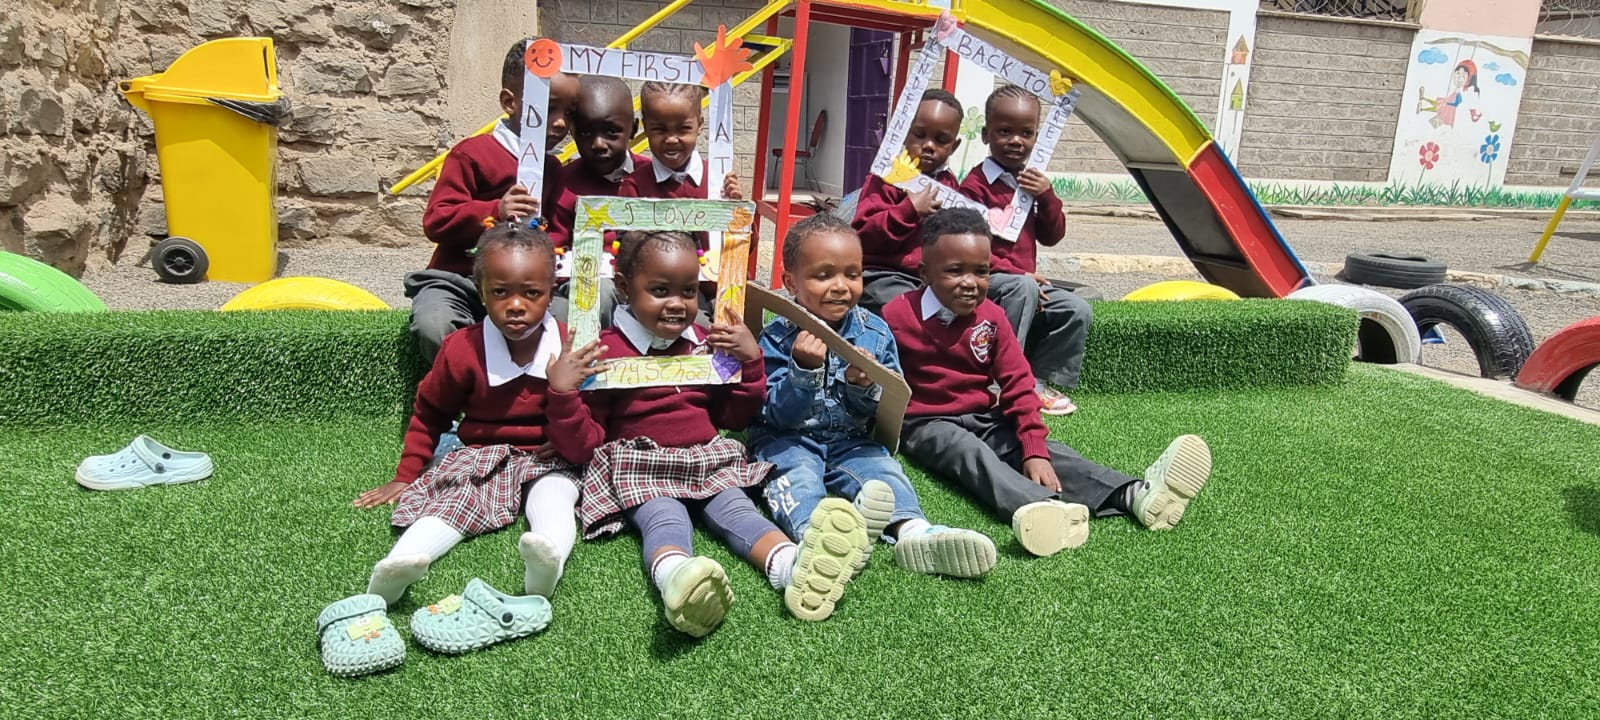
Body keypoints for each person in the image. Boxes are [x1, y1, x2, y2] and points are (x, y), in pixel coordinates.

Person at [566, 231, 872, 637]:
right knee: (665, 518)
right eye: (659, 290)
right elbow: (584, 442)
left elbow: (734, 416)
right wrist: (564, 393)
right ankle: (677, 578)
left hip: (705, 455)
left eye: (689, 291)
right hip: (644, 463)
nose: (677, 303)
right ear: (623, 288)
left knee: (737, 510)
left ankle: (790, 566)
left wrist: (750, 363)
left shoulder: (708, 343)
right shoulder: (605, 351)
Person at [882, 209, 1215, 558]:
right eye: (954, 271)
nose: (970, 282)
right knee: (969, 454)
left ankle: (1132, 494)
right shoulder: (897, 314)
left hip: (984, 416)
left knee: (1044, 451)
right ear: (924, 273)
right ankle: (1041, 510)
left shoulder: (992, 318)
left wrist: (1034, 450)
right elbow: (879, 374)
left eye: (982, 271)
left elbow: (1018, 383)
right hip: (926, 423)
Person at [352, 221, 602, 608]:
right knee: (452, 499)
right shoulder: (462, 348)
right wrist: (406, 476)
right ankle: (401, 562)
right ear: (481, 293)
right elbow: (431, 413)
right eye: (500, 292)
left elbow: (588, 441)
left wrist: (561, 391)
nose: (515, 305)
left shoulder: (574, 348)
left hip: (549, 456)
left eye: (532, 293)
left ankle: (546, 560)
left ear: (551, 292)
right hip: (479, 454)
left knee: (556, 497)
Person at [750, 214, 997, 579]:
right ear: (791, 282)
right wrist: (802, 370)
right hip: (789, 439)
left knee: (883, 473)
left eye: (852, 274)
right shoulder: (776, 337)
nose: (841, 286)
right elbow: (773, 413)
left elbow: (880, 413)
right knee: (797, 476)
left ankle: (913, 533)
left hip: (851, 441)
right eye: (823, 275)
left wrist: (862, 386)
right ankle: (817, 540)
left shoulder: (874, 332)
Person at [410, 38, 579, 365]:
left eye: (569, 112)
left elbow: (557, 232)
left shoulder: (554, 170)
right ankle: (459, 399)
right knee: (435, 324)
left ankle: (533, 401)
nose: (560, 122)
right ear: (509, 102)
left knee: (566, 318)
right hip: (459, 280)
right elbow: (437, 220)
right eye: (549, 107)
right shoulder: (472, 154)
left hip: (528, 290)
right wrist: (494, 212)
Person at [959, 85, 1091, 415]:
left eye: (1026, 133)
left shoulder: (1031, 183)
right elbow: (971, 247)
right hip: (992, 284)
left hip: (1028, 283)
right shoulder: (975, 187)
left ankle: (1038, 379)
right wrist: (1019, 275)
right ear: (987, 135)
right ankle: (1004, 381)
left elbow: (1053, 236)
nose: (1016, 141)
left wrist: (1047, 196)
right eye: (1005, 132)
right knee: (1023, 288)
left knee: (1075, 309)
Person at [620, 80, 744, 321]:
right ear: (645, 128)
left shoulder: (718, 180)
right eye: (659, 129)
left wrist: (735, 210)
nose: (672, 139)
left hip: (717, 286)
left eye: (683, 129)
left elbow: (742, 245)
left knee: (739, 317)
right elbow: (625, 248)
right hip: (665, 295)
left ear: (700, 125)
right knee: (698, 325)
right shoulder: (634, 185)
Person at [852, 88, 965, 315]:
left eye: (941, 140)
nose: (929, 146)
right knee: (919, 312)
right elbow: (862, 235)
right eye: (920, 135)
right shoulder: (888, 177)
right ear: (905, 134)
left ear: (954, 146)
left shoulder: (950, 185)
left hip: (930, 280)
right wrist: (909, 210)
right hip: (882, 275)